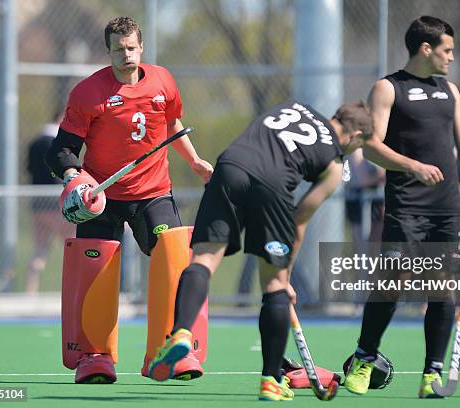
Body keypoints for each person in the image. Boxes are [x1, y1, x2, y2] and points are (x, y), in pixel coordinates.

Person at [144, 100, 373, 401]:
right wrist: (285, 277)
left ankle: (182, 332)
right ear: (355, 136)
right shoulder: (334, 164)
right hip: (273, 186)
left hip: (230, 166)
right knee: (274, 286)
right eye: (359, 146)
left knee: (203, 260)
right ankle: (270, 381)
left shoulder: (293, 106)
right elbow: (299, 221)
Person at [44, 17, 213, 384]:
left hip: (153, 193)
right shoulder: (88, 93)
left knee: (174, 261)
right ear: (108, 51)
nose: (126, 55)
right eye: (118, 49)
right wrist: (75, 179)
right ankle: (95, 356)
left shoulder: (163, 81)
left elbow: (171, 126)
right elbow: (62, 150)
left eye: (132, 48)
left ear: (142, 48)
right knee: (95, 273)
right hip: (100, 198)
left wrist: (196, 162)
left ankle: (170, 351)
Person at [343, 16, 460, 398]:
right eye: (447, 50)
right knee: (392, 282)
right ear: (425, 49)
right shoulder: (388, 88)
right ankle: (364, 357)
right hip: (406, 205)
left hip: (446, 208)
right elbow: (371, 145)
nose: (451, 57)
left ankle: (432, 373)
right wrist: (413, 166)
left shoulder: (451, 91)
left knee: (442, 289)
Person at [25, 112, 74, 293]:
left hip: (37, 205)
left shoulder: (35, 142)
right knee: (72, 244)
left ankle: (31, 291)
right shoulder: (55, 143)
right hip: (55, 203)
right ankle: (72, 290)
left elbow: (30, 169)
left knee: (40, 250)